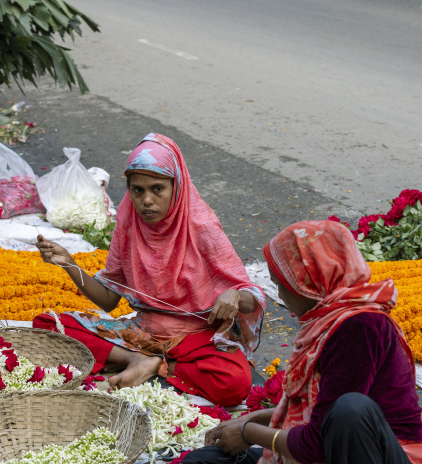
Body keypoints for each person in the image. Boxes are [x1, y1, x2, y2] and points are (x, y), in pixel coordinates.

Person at [181, 220, 422, 464]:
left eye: (282, 286)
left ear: (309, 284)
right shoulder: (328, 320)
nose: (281, 297)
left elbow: (321, 439)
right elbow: (325, 419)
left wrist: (249, 432)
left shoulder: (360, 325)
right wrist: (269, 416)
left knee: (352, 409)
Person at [34, 133, 265, 406]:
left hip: (195, 337)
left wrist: (235, 296)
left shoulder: (201, 226)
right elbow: (110, 301)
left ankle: (156, 366)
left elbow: (250, 296)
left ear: (176, 187)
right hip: (140, 335)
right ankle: (136, 360)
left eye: (157, 189)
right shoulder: (128, 221)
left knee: (234, 382)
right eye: (137, 190)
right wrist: (70, 265)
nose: (146, 200)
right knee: (48, 325)